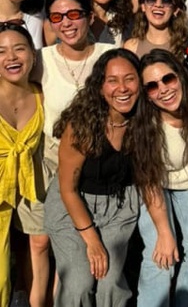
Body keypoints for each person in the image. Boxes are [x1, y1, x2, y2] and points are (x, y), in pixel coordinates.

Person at [28, 0, 115, 306]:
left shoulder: (109, 55)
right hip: (52, 165)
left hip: (100, 170)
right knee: (55, 248)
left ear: (89, 17)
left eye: (75, 14)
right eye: (57, 16)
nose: (67, 22)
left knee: (86, 257)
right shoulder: (40, 60)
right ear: (49, 22)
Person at [44, 48, 141, 306]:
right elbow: (67, 189)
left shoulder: (145, 120)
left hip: (119, 206)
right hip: (74, 204)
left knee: (110, 282)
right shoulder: (82, 125)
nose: (122, 88)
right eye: (112, 80)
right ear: (99, 87)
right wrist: (92, 240)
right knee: (78, 283)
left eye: (130, 78)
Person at [134, 49, 188, 307]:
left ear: (180, 75)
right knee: (161, 254)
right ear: (147, 95)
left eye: (168, 79)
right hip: (156, 187)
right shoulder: (148, 125)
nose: (163, 89)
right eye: (152, 87)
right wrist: (165, 233)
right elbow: (149, 182)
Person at [0, 23, 43, 307]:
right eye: (1, 51)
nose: (11, 57)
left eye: (19, 49)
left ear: (33, 54)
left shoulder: (42, 94)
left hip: (23, 197)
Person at [123, 0, 188, 60]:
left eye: (166, 0)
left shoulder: (187, 46)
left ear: (175, 9)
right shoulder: (130, 47)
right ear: (143, 6)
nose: (158, 5)